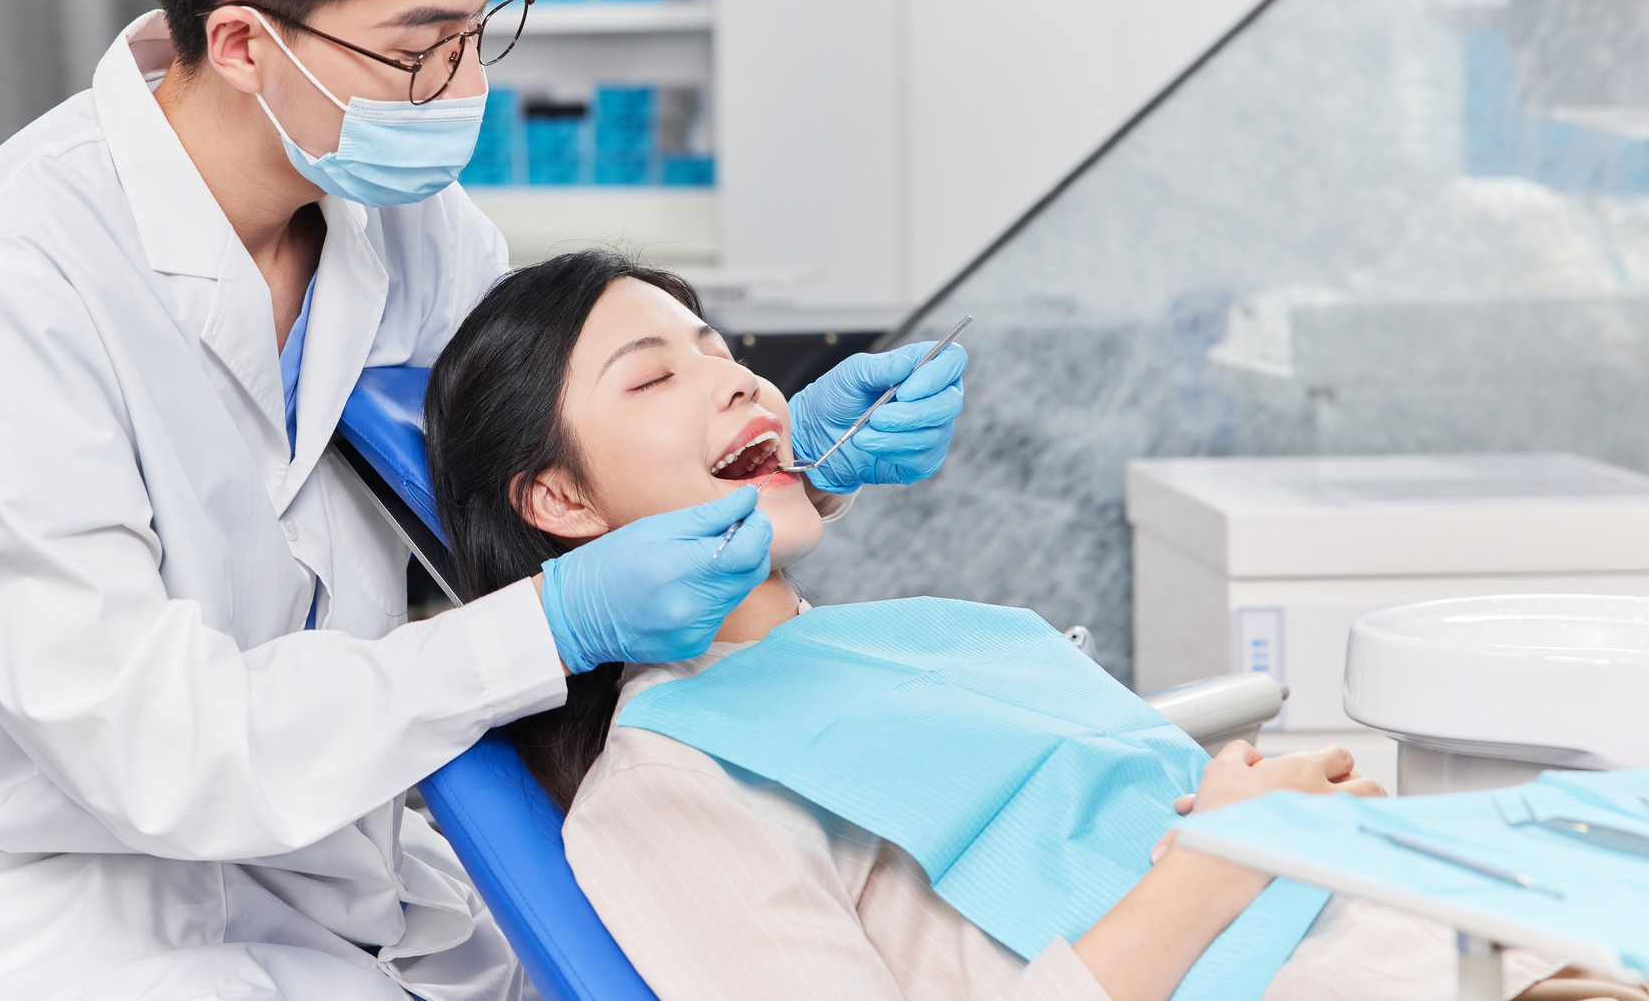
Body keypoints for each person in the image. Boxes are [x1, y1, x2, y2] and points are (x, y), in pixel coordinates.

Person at [0, 0, 968, 1001]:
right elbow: (153, 750)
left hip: (343, 857)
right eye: (420, 44)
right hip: (68, 903)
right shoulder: (11, 284)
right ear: (243, 43)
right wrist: (556, 621)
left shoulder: (414, 227)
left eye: (481, 24)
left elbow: (548, 486)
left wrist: (778, 461)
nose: (466, 83)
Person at [422, 249, 1639, 1001]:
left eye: (721, 349)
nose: (737, 378)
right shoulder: (667, 788)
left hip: (1477, 947)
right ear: (559, 499)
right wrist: (1220, 857)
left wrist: (1280, 822)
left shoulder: (916, 638)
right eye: (653, 377)